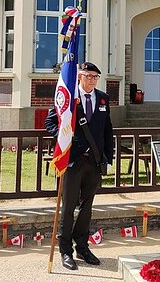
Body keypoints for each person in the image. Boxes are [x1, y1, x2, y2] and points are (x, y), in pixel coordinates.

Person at [45, 61, 114, 271]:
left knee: (87, 206)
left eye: (95, 77)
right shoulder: (68, 98)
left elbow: (107, 130)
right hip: (73, 161)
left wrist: (108, 158)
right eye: (88, 76)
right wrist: (65, 140)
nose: (92, 80)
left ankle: (82, 246)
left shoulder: (103, 98)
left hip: (94, 161)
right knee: (68, 207)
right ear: (79, 77)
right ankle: (65, 250)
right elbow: (51, 123)